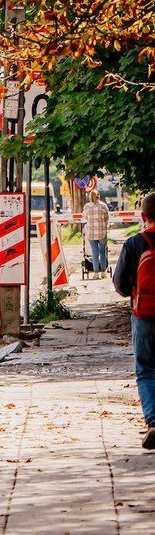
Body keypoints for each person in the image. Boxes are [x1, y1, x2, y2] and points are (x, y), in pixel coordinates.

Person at [113, 192, 155, 449]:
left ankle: (153, 422)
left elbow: (119, 282)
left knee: (147, 370)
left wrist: (135, 294)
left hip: (145, 315)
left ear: (143, 216)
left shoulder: (134, 243)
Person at [83, 190, 110, 279]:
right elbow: (107, 218)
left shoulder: (87, 207)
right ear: (99, 196)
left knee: (94, 253)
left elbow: (85, 217)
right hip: (102, 232)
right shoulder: (103, 206)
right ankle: (103, 272)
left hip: (91, 233)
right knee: (102, 252)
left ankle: (96, 273)